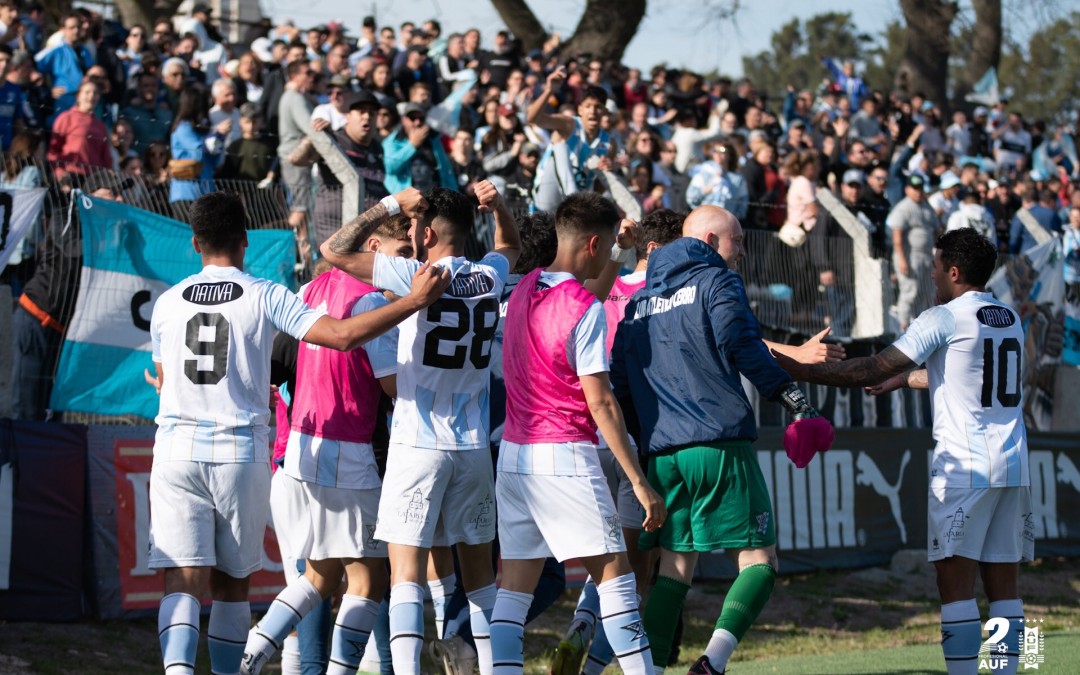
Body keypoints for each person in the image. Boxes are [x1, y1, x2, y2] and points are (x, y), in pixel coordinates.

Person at [148, 191, 450, 675]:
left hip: (178, 451)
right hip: (240, 451)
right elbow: (342, 335)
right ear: (246, 241)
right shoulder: (265, 294)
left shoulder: (166, 302)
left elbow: (164, 376)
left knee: (181, 580)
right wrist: (414, 301)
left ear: (194, 243)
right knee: (232, 585)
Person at [784, 227, 1032, 675]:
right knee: (1005, 588)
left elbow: (870, 367)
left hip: (964, 467)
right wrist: (906, 378)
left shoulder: (943, 317)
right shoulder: (1007, 316)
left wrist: (793, 365)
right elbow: (969, 377)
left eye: (935, 267)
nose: (931, 274)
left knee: (954, 584)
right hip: (1013, 464)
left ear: (953, 271)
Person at [612, 205, 834, 675]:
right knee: (759, 561)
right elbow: (741, 345)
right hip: (718, 445)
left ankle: (645, 671)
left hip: (663, 455)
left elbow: (622, 381)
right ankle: (712, 663)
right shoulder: (717, 282)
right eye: (737, 241)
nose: (742, 252)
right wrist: (794, 400)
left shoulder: (639, 301)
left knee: (674, 568)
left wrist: (648, 437)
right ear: (711, 241)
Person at [318, 181, 521, 675]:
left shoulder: (415, 272)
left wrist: (389, 205)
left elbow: (333, 251)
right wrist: (500, 209)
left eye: (413, 226)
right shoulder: (489, 276)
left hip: (417, 442)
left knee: (406, 573)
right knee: (480, 580)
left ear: (427, 233)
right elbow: (510, 246)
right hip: (473, 446)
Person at [490, 192, 665, 675]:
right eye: (609, 247)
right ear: (593, 243)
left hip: (515, 457)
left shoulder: (522, 287)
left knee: (513, 592)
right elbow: (602, 402)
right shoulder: (582, 307)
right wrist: (637, 480)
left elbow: (588, 291)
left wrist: (621, 252)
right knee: (617, 580)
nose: (612, 254)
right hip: (563, 455)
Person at [239, 216, 415, 675]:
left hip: (301, 448)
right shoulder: (372, 301)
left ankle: (254, 651)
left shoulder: (311, 290)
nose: (410, 264)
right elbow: (395, 388)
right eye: (402, 253)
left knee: (319, 575)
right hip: (349, 451)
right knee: (369, 577)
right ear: (372, 248)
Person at [528, 66, 613, 213]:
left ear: (604, 111)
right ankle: (573, 198)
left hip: (578, 202)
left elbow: (599, 186)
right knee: (560, 145)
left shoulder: (609, 143)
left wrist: (613, 166)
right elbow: (532, 119)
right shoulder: (569, 124)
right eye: (588, 106)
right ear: (580, 109)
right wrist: (549, 91)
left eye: (598, 107)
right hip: (549, 194)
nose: (592, 111)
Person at [312, 90, 389, 247]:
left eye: (372, 113)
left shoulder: (377, 148)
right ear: (347, 116)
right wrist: (313, 136)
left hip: (366, 228)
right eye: (361, 112)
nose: (367, 116)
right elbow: (297, 160)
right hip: (334, 227)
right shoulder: (335, 140)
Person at [889, 174, 939, 331]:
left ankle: (920, 327)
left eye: (920, 188)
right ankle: (902, 328)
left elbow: (936, 229)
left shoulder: (926, 206)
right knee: (910, 291)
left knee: (926, 292)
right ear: (907, 189)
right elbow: (897, 237)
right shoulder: (903, 207)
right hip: (910, 255)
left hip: (927, 255)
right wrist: (902, 260)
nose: (918, 192)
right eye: (915, 188)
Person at [46, 79, 110, 178]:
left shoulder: (101, 126)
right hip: (69, 175)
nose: (92, 96)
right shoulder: (66, 118)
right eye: (87, 92)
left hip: (93, 179)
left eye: (96, 93)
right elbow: (54, 149)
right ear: (78, 96)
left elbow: (105, 157)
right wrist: (59, 173)